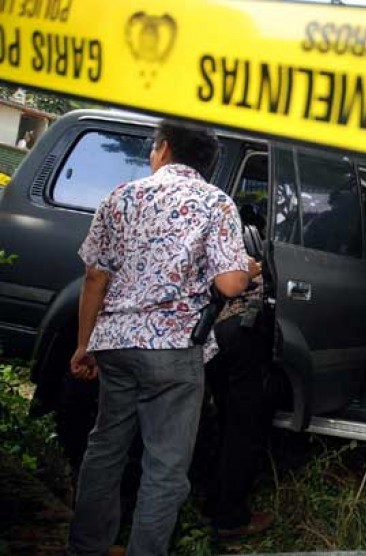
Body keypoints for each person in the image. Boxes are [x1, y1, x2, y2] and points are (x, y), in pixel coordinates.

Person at [66, 119, 251, 555]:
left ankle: (85, 547)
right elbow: (229, 285)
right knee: (165, 469)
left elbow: (95, 276)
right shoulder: (216, 203)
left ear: (163, 149)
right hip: (172, 353)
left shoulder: (122, 196)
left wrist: (83, 344)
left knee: (106, 449)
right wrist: (246, 270)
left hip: (114, 345)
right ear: (206, 163)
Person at [203, 252, 276, 537]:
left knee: (227, 421)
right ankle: (230, 517)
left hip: (215, 334)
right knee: (244, 426)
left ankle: (214, 502)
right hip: (241, 332)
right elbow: (234, 281)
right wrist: (250, 271)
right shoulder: (216, 216)